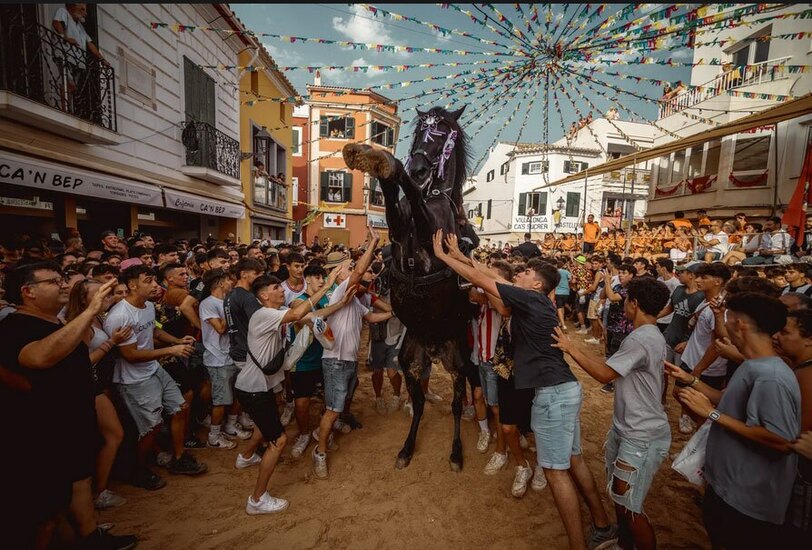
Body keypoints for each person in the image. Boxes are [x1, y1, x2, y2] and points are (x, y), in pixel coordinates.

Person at [432, 230, 617, 550]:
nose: (520, 273)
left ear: (536, 284)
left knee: (556, 472)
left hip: (553, 394)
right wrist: (461, 256)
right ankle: (602, 525)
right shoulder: (535, 299)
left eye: (527, 272)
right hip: (564, 389)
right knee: (574, 461)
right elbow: (491, 273)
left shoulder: (530, 298)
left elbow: (485, 279)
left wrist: (444, 258)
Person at [0, 264, 136, 550]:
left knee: (79, 480)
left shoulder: (54, 321)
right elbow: (38, 358)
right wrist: (89, 312)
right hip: (41, 433)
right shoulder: (15, 326)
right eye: (54, 281)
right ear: (28, 292)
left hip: (70, 421)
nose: (63, 285)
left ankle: (88, 536)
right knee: (44, 511)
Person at [667, 293, 800, 549]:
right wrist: (690, 379)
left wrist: (711, 414)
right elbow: (726, 401)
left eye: (726, 317)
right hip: (728, 491)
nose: (723, 325)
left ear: (740, 324)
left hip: (747, 502)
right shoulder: (753, 365)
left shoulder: (770, 376)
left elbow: (781, 440)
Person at [553, 277, 672, 550]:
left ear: (634, 303)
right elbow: (613, 366)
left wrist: (570, 348)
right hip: (631, 427)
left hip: (640, 434)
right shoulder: (650, 334)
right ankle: (624, 544)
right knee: (621, 498)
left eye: (626, 300)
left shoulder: (641, 338)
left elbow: (605, 374)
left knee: (631, 507)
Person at [235, 271, 349, 514]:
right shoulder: (263, 314)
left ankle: (245, 457)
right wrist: (328, 284)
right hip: (254, 389)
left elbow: (312, 316)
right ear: (264, 295)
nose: (282, 290)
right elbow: (299, 313)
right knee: (279, 440)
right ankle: (257, 500)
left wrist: (340, 304)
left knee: (262, 426)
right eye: (277, 288)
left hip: (260, 387)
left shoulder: (275, 313)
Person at [104, 264, 207, 489]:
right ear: (132, 285)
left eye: (154, 280)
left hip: (153, 369)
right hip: (134, 380)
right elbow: (130, 355)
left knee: (180, 408)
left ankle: (179, 458)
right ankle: (138, 469)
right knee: (150, 428)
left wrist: (176, 341)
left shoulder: (148, 306)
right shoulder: (120, 315)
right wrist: (170, 351)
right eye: (148, 281)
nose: (154, 285)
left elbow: (153, 331)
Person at [313, 227, 393, 479]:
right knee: (333, 409)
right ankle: (320, 451)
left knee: (340, 403)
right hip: (335, 362)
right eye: (347, 270)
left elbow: (371, 316)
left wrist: (395, 313)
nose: (354, 273)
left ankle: (326, 432)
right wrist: (375, 241)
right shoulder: (337, 292)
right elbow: (359, 270)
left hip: (347, 361)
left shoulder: (353, 301)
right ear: (337, 276)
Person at [65, 280, 129, 510]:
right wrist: (112, 342)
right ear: (83, 300)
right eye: (100, 293)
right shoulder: (79, 325)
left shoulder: (100, 317)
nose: (108, 297)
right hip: (88, 387)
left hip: (102, 382)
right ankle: (99, 492)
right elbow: (83, 363)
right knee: (114, 434)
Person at [774, 308, 812, 543]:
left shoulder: (808, 376)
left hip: (802, 479)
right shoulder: (798, 368)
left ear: (809, 339)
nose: (776, 336)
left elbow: (796, 438)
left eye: (785, 332)